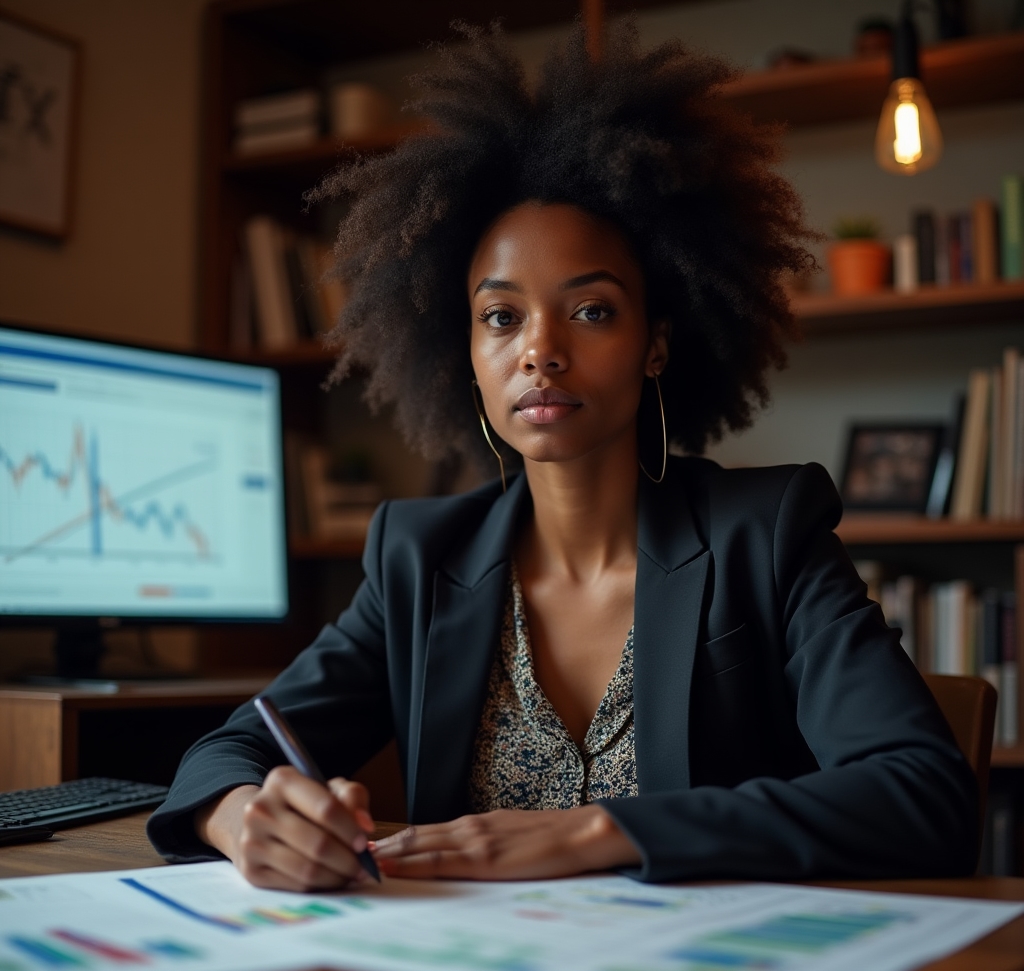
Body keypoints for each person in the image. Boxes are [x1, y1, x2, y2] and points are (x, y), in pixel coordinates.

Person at [148, 24, 976, 890]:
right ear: (463, 351)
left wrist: (598, 833)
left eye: (590, 311)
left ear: (656, 344)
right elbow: (232, 749)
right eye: (501, 318)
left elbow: (922, 796)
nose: (539, 351)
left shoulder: (764, 536)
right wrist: (247, 819)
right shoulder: (419, 560)